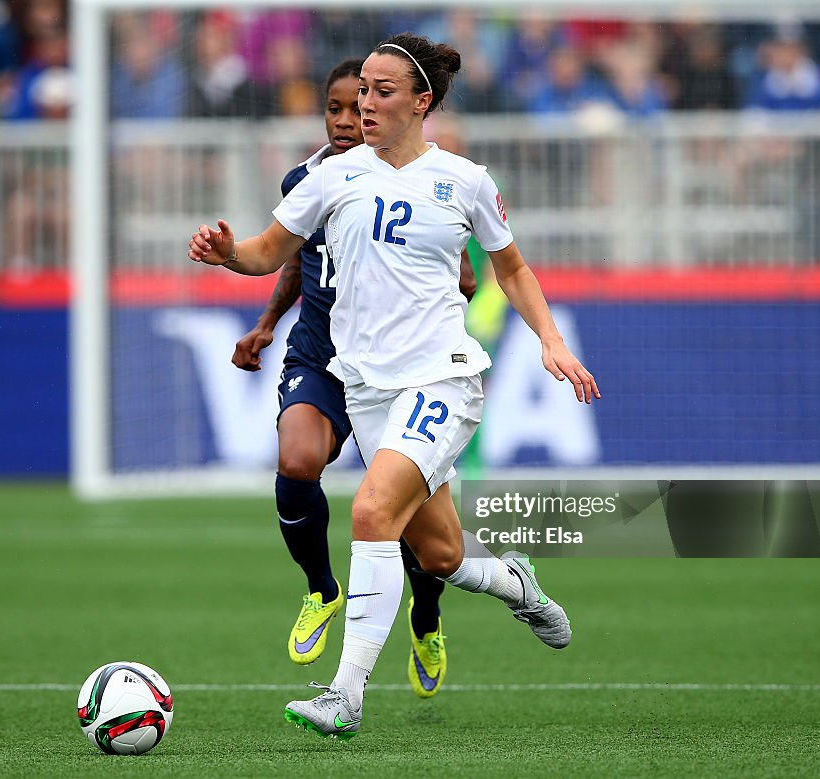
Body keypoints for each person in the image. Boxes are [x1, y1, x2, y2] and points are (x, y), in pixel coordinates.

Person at [188, 32, 599, 740]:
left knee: (372, 512)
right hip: (368, 392)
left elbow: (513, 270)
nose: (363, 106)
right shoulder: (330, 178)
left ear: (421, 102)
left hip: (442, 377)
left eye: (381, 92)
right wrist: (228, 255)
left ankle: (343, 696)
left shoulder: (465, 180)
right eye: (360, 93)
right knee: (440, 555)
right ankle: (517, 584)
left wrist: (551, 341)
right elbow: (265, 252)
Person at [231, 58, 476, 699]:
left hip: (396, 364)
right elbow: (289, 260)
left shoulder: (424, 178)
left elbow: (466, 270)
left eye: (360, 101)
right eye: (338, 106)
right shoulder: (312, 179)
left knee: (416, 529)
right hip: (321, 356)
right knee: (297, 459)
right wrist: (265, 325)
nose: (348, 117)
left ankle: (426, 616)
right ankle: (321, 589)